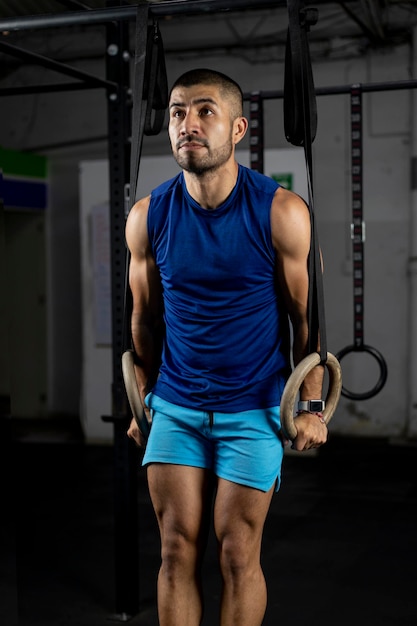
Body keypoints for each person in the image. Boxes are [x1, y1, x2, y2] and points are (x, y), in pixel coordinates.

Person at [126, 68, 327, 626]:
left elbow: (306, 320)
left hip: (255, 405)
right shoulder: (148, 216)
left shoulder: (281, 211)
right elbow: (144, 317)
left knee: (238, 553)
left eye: (204, 111)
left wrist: (310, 406)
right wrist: (142, 398)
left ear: (237, 128)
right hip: (176, 404)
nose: (187, 124)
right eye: (176, 112)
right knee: (173, 549)